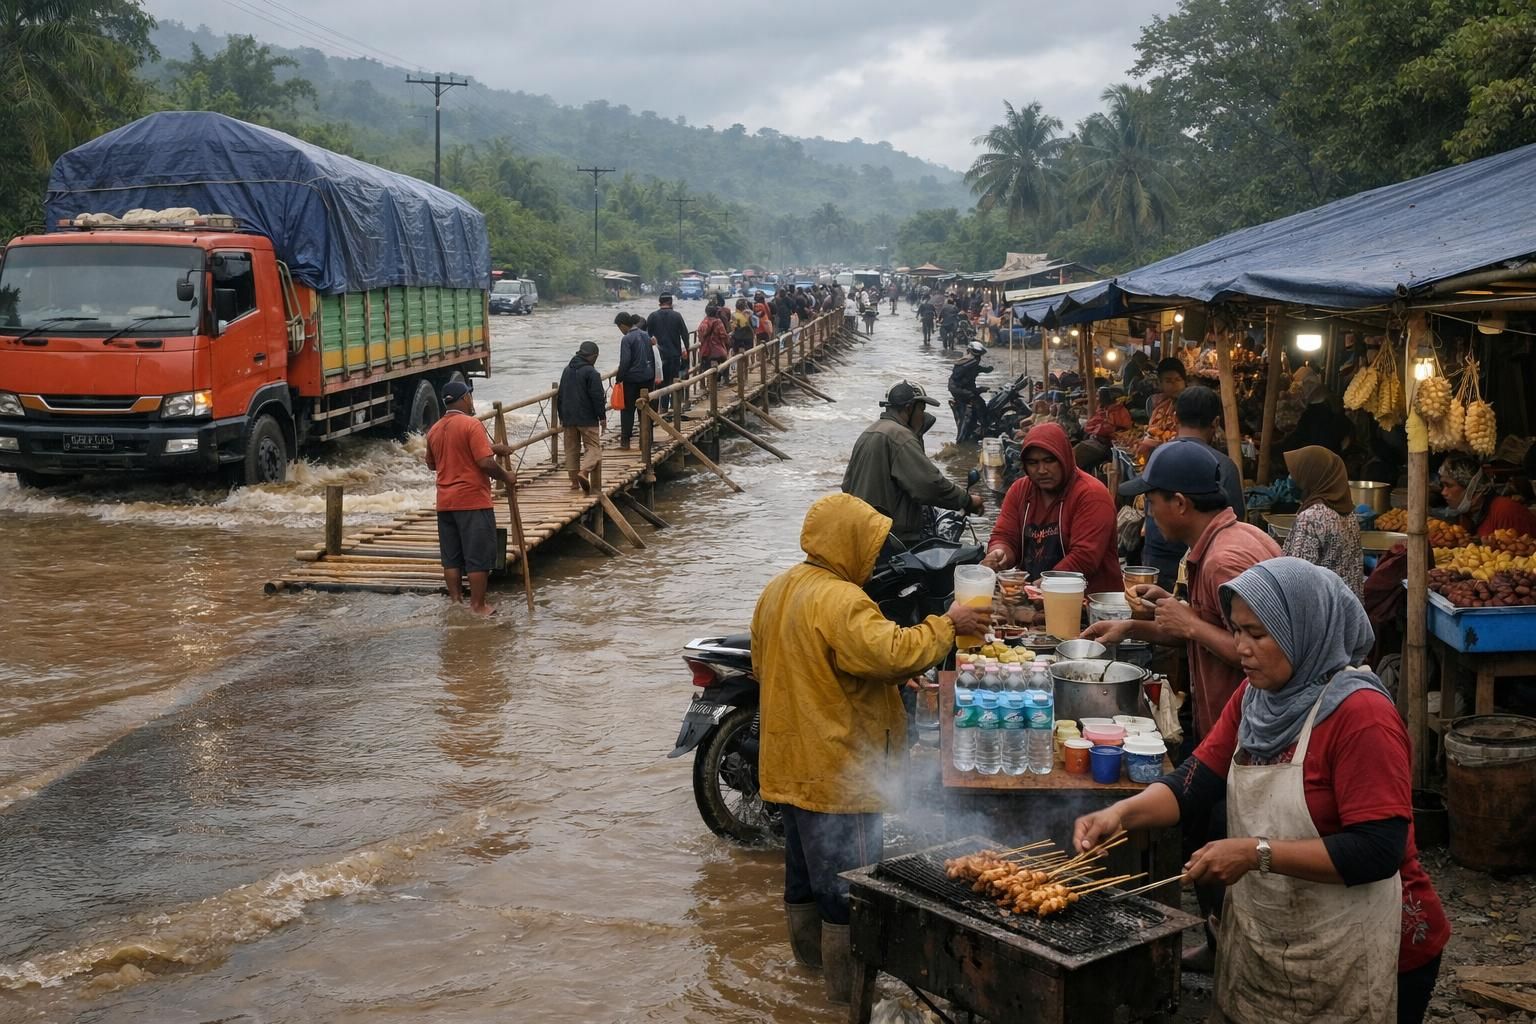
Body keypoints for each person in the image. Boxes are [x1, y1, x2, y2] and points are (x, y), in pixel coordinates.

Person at [1074, 558, 1449, 1024]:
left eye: (1258, 634)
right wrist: (1122, 815)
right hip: (1287, 935)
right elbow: (1194, 782)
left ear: (1304, 629)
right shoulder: (1257, 697)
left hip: (1370, 944)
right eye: (1237, 631)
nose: (1241, 648)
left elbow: (1378, 849)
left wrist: (1256, 853)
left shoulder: (1361, 716)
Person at [753, 493, 990, 1004]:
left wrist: (878, 687)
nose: (876, 556)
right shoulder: (843, 600)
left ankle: (805, 990)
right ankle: (846, 1002)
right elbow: (893, 652)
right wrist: (948, 624)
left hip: (787, 766)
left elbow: (776, 667)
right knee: (851, 896)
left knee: (803, 885)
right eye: (871, 544)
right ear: (850, 544)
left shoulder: (778, 588)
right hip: (841, 774)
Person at [982, 422, 1121, 593]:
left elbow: (1084, 557)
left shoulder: (1091, 495)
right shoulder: (1019, 490)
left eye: (1049, 461)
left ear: (1064, 457)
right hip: (1037, 595)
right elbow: (1005, 536)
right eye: (1033, 463)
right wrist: (999, 553)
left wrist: (1042, 585)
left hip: (1087, 600)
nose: (1041, 470)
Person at [842, 381, 984, 547]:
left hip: (863, 534)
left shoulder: (869, 432)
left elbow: (847, 484)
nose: (923, 417)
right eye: (921, 410)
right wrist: (966, 500)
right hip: (893, 539)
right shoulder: (900, 436)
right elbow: (928, 485)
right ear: (909, 408)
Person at [424, 380, 517, 616]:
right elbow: (484, 462)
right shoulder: (471, 424)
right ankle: (478, 605)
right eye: (470, 397)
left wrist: (493, 449)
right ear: (465, 398)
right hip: (472, 500)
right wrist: (506, 476)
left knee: (452, 557)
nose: (472, 401)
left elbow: (431, 463)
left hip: (445, 503)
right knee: (478, 556)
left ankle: (456, 602)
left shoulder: (435, 429)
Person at [1141, 385, 1248, 590]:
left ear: (1175, 417)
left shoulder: (1159, 455)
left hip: (1157, 559)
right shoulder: (1224, 465)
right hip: (1200, 566)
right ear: (1216, 423)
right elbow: (1235, 522)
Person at [1283, 446, 1364, 596]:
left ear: (1311, 475)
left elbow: (1296, 575)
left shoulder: (1311, 518)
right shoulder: (1346, 511)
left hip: (1323, 610)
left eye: (1295, 474)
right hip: (1348, 606)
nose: (1291, 478)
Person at [1438, 451, 1536, 537]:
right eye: (1442, 486)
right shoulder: (1467, 516)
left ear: (1473, 489)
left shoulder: (1504, 511)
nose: (1443, 492)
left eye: (1449, 485)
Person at [557, 341, 606, 492]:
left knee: (571, 449)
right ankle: (584, 472)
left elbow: (560, 395)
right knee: (593, 448)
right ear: (593, 356)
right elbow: (597, 397)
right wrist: (602, 417)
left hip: (568, 417)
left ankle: (573, 482)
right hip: (587, 417)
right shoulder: (592, 373)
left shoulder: (567, 370)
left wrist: (561, 415)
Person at [615, 312, 657, 450]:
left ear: (622, 325)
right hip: (647, 377)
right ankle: (646, 440)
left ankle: (625, 441)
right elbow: (652, 358)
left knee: (627, 410)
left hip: (631, 379)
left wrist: (619, 378)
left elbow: (625, 361)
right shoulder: (645, 335)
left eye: (619, 328)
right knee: (645, 409)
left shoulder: (626, 339)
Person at [644, 294, 690, 413]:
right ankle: (674, 406)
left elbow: (646, 336)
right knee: (674, 380)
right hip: (674, 354)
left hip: (658, 356)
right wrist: (687, 350)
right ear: (670, 302)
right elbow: (684, 334)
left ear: (660, 303)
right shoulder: (677, 316)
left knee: (660, 382)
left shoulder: (653, 316)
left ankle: (661, 408)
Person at [1074, 387, 1134, 470]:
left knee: (1075, 458)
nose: (1097, 399)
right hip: (1095, 440)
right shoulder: (1103, 409)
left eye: (1098, 396)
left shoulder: (1120, 411)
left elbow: (1125, 430)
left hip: (1105, 445)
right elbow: (1090, 425)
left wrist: (1109, 430)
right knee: (1074, 453)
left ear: (1105, 397)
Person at [1139, 357, 1187, 454]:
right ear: (1160, 384)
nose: (1174, 385)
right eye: (1168, 381)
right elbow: (1152, 433)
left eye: (1178, 379)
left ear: (1185, 382)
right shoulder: (1159, 406)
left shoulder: (1193, 405)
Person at [947, 340, 992, 440]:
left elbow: (979, 370)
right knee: (980, 405)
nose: (979, 358)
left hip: (956, 389)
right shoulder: (969, 364)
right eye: (978, 356)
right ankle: (984, 428)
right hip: (960, 390)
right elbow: (967, 385)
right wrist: (979, 390)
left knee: (976, 404)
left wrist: (987, 370)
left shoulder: (967, 361)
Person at [697, 303, 730, 382]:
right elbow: (723, 335)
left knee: (705, 368)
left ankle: (706, 385)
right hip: (718, 350)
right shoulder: (718, 322)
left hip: (705, 351)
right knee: (726, 364)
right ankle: (725, 380)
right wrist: (727, 343)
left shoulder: (703, 322)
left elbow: (700, 336)